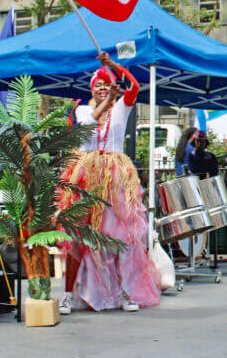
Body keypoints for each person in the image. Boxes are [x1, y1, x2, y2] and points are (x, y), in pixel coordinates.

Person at [58, 52, 161, 314]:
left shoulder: (122, 107)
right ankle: (68, 294)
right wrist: (110, 99)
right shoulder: (82, 109)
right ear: (92, 90)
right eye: (98, 85)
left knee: (119, 238)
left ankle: (124, 292)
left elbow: (136, 86)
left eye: (106, 84)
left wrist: (113, 66)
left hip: (115, 179)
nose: (102, 88)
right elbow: (90, 122)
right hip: (85, 177)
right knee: (78, 239)